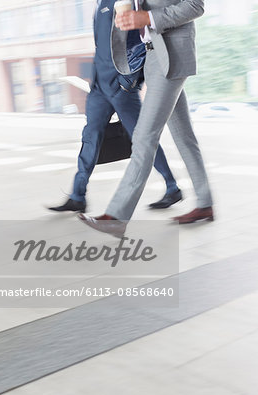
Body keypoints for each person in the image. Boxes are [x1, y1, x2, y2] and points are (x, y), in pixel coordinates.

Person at [79, 0, 213, 237]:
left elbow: (195, 5)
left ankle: (117, 216)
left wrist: (148, 18)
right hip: (152, 56)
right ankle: (205, 204)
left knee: (143, 136)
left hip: (171, 55)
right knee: (184, 136)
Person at [48, 0, 182, 213]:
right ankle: (78, 196)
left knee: (142, 138)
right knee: (90, 137)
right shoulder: (99, 3)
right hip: (99, 87)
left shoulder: (126, 2)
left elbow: (142, 40)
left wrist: (130, 81)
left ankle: (172, 187)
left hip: (121, 88)